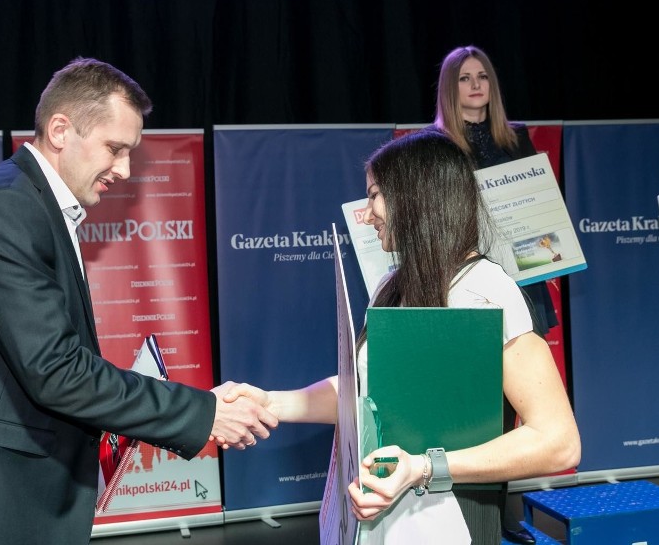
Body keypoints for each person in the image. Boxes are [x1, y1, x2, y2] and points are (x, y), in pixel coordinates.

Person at [0, 57, 277, 545]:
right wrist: (204, 411)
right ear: (60, 130)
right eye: (114, 149)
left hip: (15, 486)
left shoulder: (37, 206)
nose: (123, 170)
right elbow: (55, 371)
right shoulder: (5, 206)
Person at [226, 130, 581, 544]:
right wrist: (271, 402)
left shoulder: (485, 289)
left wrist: (424, 468)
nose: (366, 213)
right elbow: (368, 394)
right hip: (384, 516)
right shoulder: (392, 285)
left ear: (416, 197)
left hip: (452, 519)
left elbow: (558, 442)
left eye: (375, 195)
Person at [429, 44, 560, 544]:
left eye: (483, 76)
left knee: (519, 410)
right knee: (480, 410)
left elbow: (539, 213)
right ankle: (483, 514)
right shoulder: (435, 147)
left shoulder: (517, 139)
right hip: (467, 289)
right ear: (450, 87)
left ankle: (506, 513)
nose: (476, 85)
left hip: (521, 284)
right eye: (465, 78)